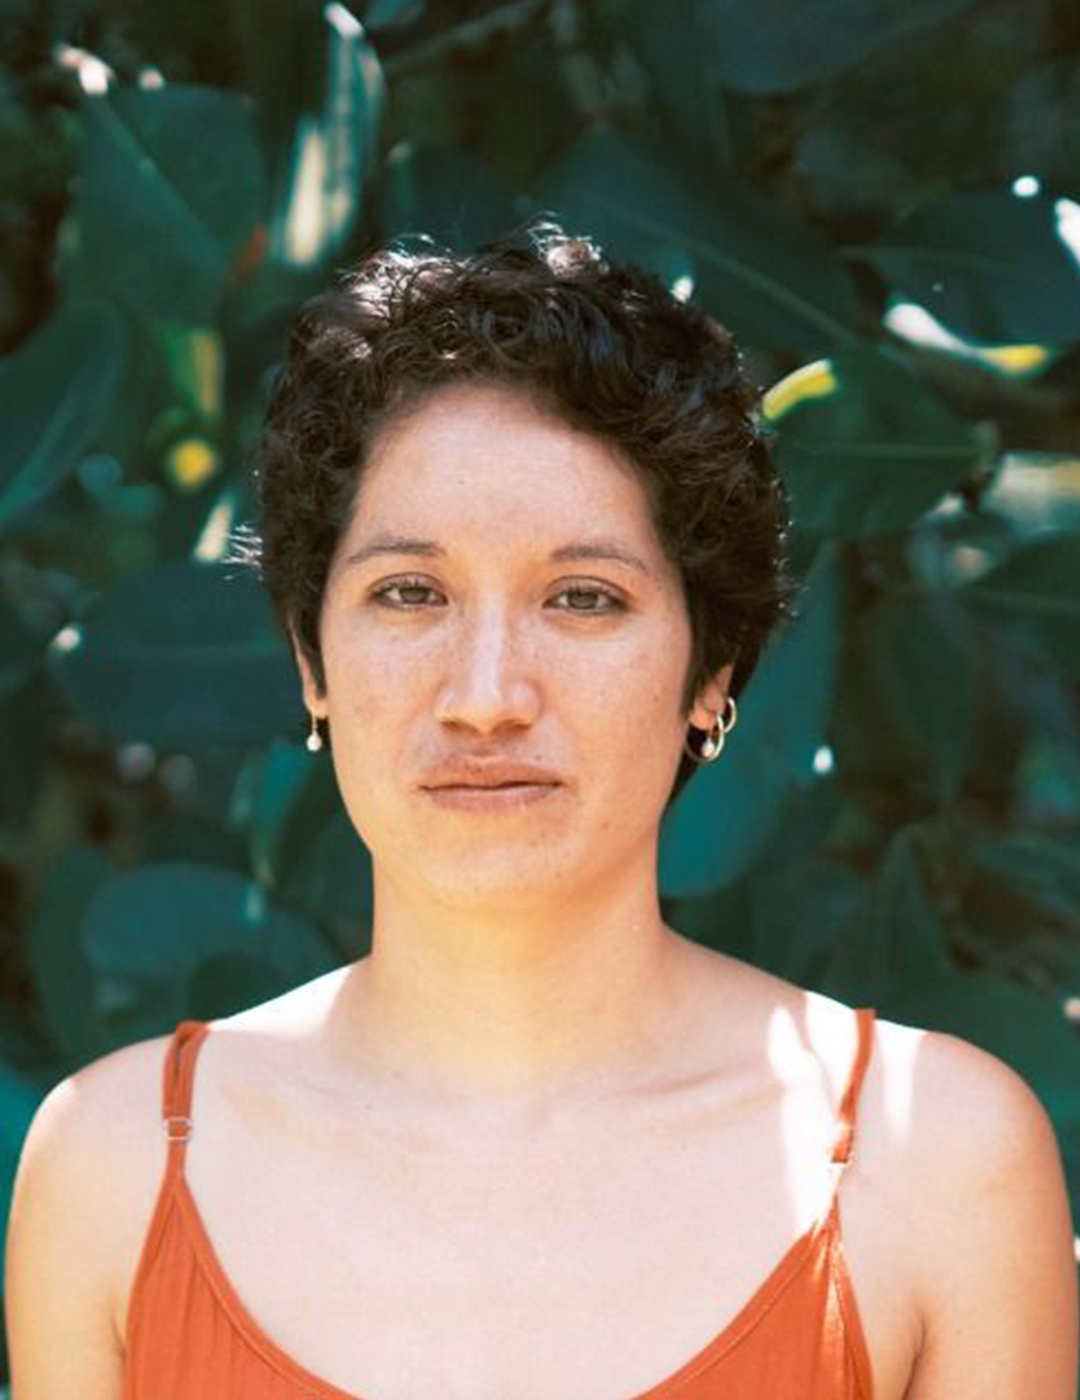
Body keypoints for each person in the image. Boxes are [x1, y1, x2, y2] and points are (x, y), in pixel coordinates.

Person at [5, 220, 1077, 1400]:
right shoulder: (111, 1169)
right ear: (312, 662)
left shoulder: (936, 1164)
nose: (485, 697)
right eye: (409, 592)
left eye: (583, 597)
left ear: (712, 671)